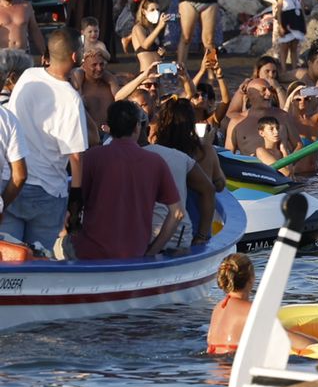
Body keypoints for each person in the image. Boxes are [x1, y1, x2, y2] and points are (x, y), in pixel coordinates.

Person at [70, 99, 181, 261]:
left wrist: (70, 232)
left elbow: (74, 203)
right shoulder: (155, 162)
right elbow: (177, 213)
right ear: (137, 126)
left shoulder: (92, 157)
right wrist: (151, 253)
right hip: (135, 256)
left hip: (88, 254)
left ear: (109, 128)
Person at [5, 37, 88, 253]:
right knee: (39, 258)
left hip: (13, 184)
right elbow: (76, 157)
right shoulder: (71, 99)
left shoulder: (28, 76)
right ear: (74, 57)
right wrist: (76, 202)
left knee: (9, 256)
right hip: (48, 192)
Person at [205, 252, 256, 356]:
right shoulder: (251, 310)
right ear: (251, 279)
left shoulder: (219, 307)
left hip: (214, 369)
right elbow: (283, 337)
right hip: (233, 368)